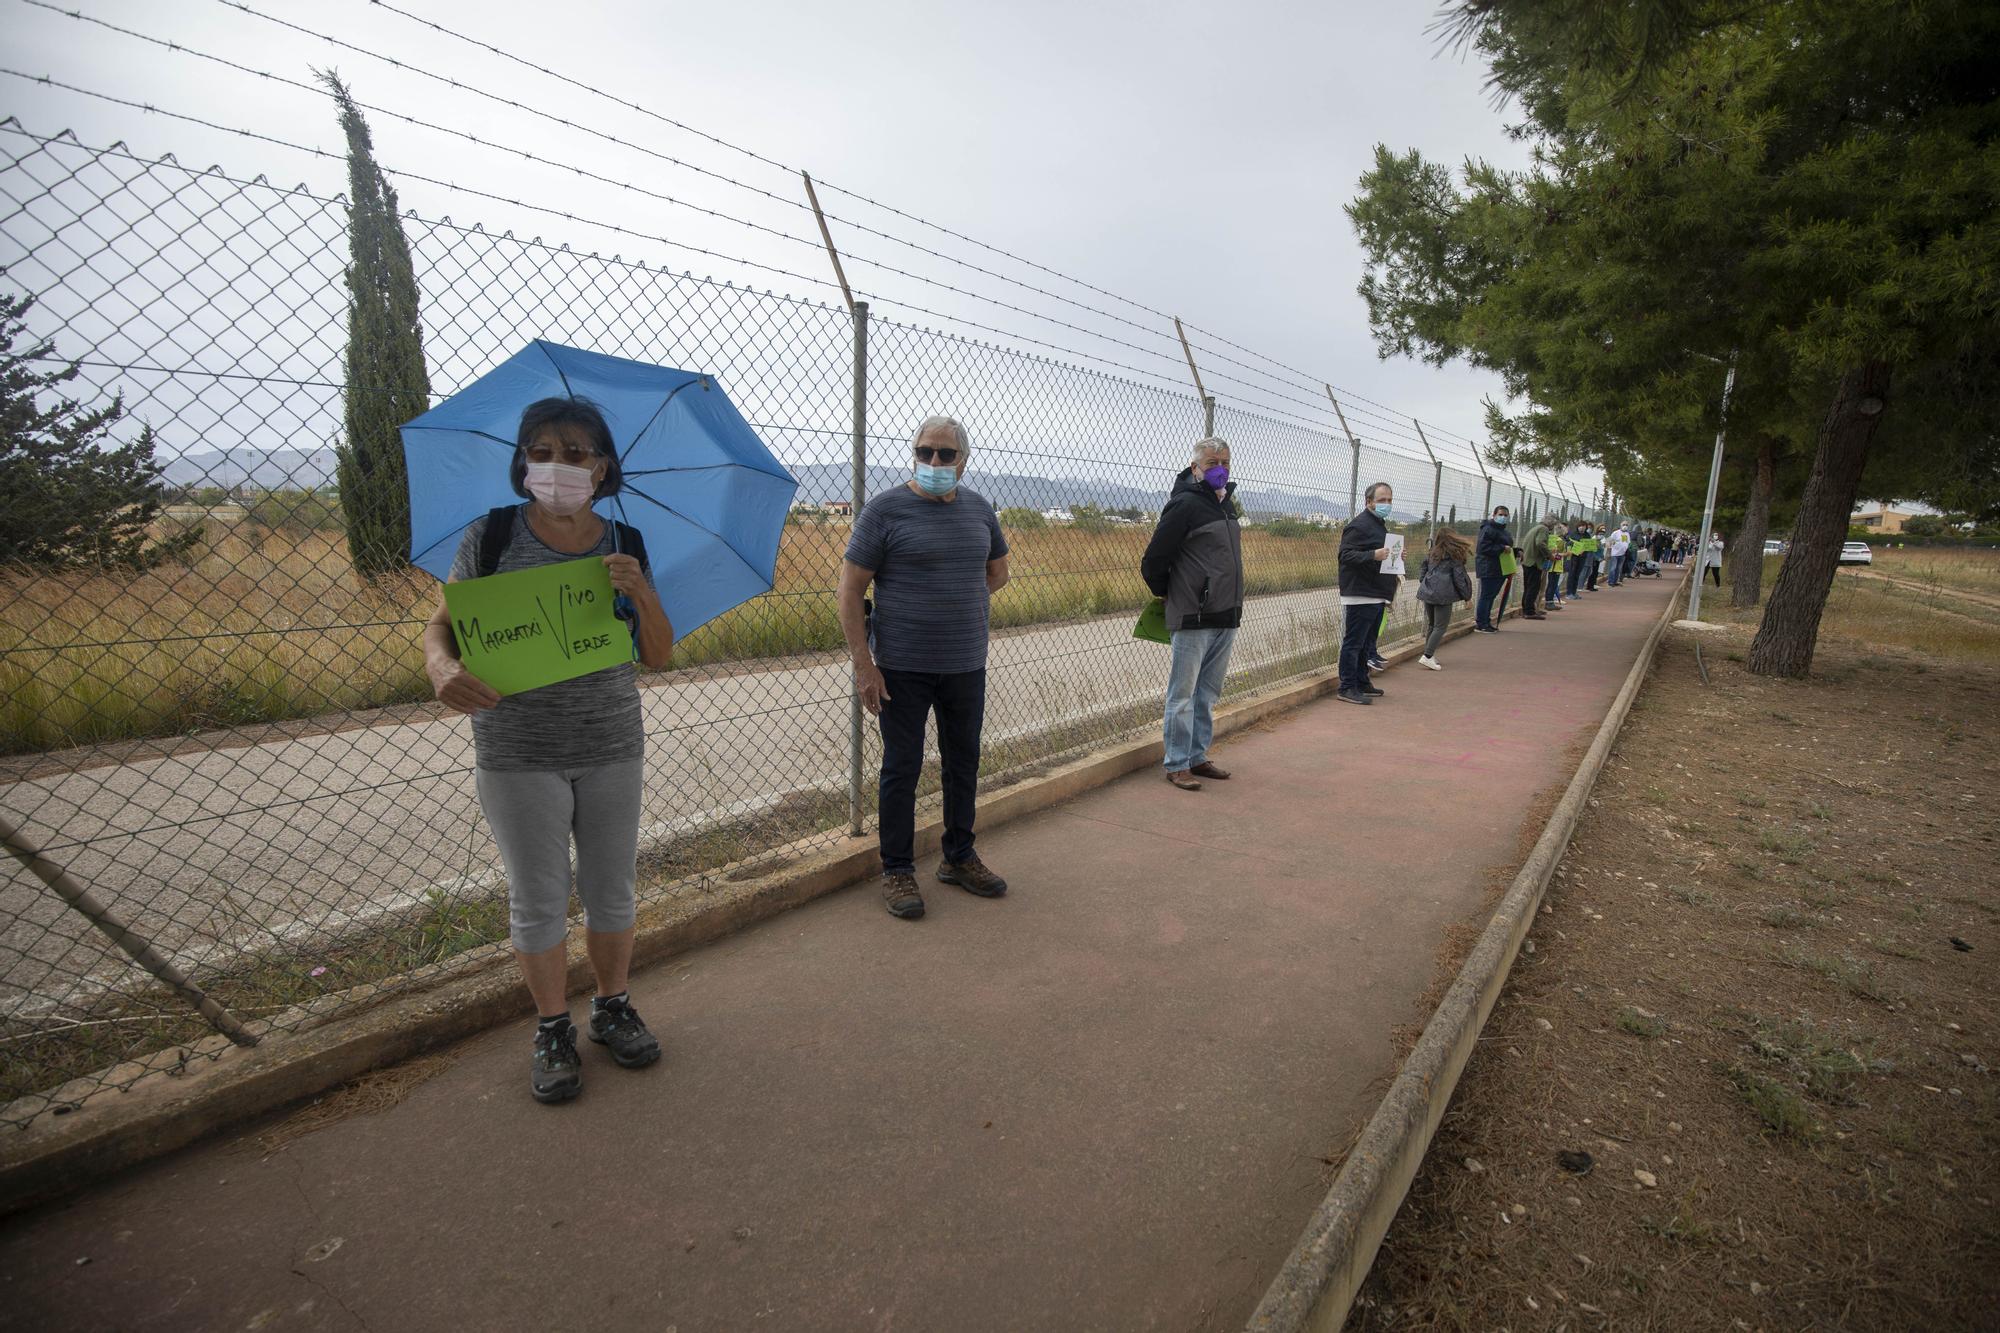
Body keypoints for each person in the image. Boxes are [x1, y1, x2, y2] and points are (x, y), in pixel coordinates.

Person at [424, 396, 675, 1105]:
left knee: (611, 888)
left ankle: (613, 1005)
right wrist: (441, 670)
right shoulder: (493, 535)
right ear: (522, 462)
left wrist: (642, 597)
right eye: (541, 450)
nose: (557, 466)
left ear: (602, 467)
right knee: (537, 898)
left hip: (610, 742)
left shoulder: (625, 542)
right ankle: (552, 1026)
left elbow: (657, 654)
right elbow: (440, 628)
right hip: (517, 748)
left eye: (575, 453)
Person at [839, 416, 1011, 921]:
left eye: (944, 454)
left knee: (964, 763)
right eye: (924, 452)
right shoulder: (885, 511)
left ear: (964, 459)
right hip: (901, 668)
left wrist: (958, 600)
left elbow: (997, 573)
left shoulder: (981, 510)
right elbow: (850, 590)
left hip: (964, 665)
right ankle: (896, 869)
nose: (933, 462)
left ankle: (958, 857)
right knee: (902, 767)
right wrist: (864, 666)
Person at [1140, 437, 1243, 792]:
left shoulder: (1226, 504)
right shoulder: (1183, 505)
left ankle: (1198, 756)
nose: (1220, 469)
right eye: (1213, 462)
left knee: (1208, 693)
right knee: (1182, 695)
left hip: (1225, 615)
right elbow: (1154, 560)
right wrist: (1169, 593)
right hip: (1193, 616)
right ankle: (1177, 763)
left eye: (1226, 462)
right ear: (1195, 466)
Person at [1337, 482, 1399, 704]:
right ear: (1369, 502)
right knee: (1354, 642)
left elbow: (1379, 554)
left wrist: (1394, 556)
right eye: (1382, 500)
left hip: (1375, 591)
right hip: (1361, 592)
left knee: (1366, 642)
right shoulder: (1359, 525)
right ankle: (1347, 686)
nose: (1386, 504)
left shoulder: (1378, 525)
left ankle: (1362, 681)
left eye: (1389, 500)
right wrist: (1373, 555)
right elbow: (1346, 555)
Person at [1415, 527, 1474, 669]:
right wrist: (1467, 597)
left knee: (1432, 625)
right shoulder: (1454, 555)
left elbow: (1423, 570)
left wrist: (1424, 582)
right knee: (1440, 627)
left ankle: (1429, 653)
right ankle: (1427, 656)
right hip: (1443, 594)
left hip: (1427, 592)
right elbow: (1459, 578)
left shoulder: (1432, 553)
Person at [1473, 504, 1512, 632]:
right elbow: (1483, 548)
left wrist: (1516, 551)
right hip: (1488, 568)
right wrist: (1502, 548)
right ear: (1494, 515)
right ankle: (1481, 623)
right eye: (1500, 515)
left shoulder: (1504, 531)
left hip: (1500, 568)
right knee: (1486, 595)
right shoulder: (1488, 529)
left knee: (1491, 595)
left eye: (1505, 515)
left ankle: (1486, 622)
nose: (1503, 517)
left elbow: (1507, 548)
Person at [1518, 513, 1551, 620]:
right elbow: (1540, 543)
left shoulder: (1535, 528)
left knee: (1528, 587)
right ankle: (1529, 611)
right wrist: (1549, 555)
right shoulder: (1543, 529)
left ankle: (1527, 609)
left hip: (1527, 561)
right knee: (1533, 587)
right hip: (1534, 562)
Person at [1544, 520, 1569, 610]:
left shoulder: (1554, 539)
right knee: (1553, 584)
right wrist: (1565, 554)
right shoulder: (1559, 540)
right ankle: (1549, 601)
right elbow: (1558, 553)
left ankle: (1549, 601)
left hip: (1554, 564)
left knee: (1552, 583)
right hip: (1555, 565)